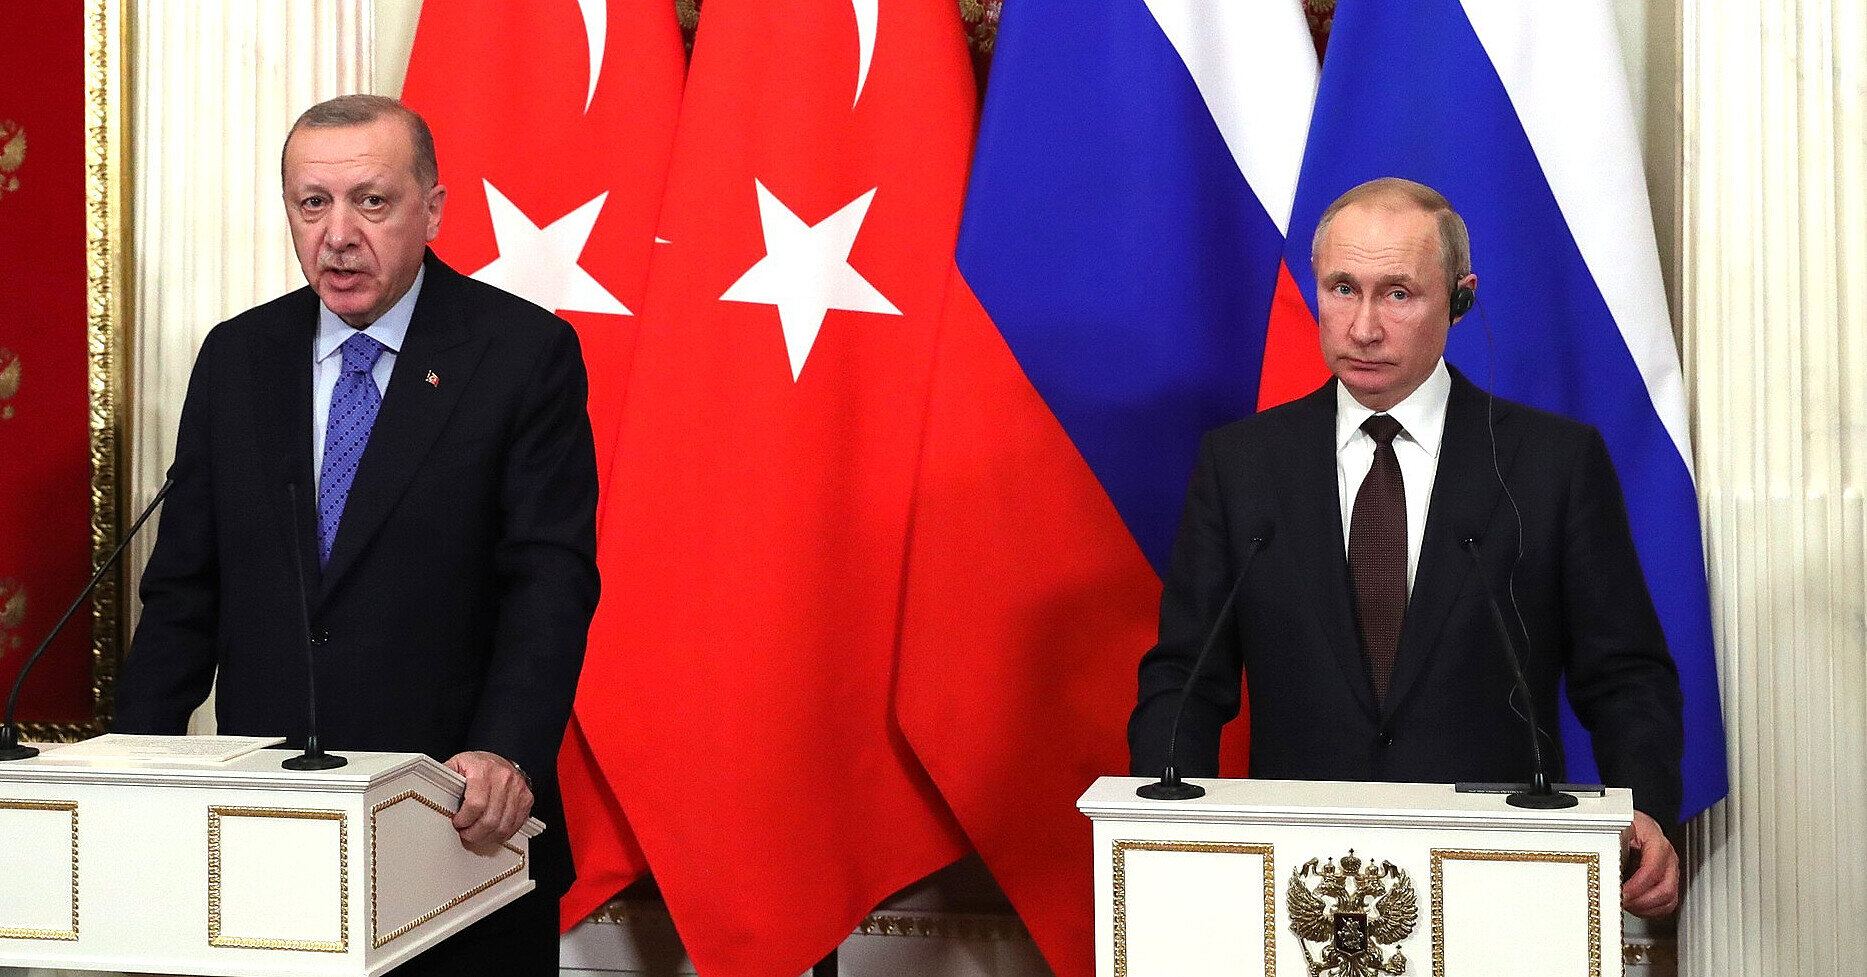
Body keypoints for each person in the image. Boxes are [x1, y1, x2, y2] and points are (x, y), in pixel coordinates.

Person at [115, 94, 599, 973]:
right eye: (313, 203)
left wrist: (506, 749)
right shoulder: (238, 357)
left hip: (456, 835)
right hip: (269, 842)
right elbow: (185, 590)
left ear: (432, 209)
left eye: (371, 201)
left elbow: (550, 582)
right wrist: (131, 771)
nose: (338, 235)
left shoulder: (522, 354)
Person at [1128, 177, 1685, 918]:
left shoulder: (1551, 464)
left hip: (1500, 877)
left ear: (1459, 300)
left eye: (1397, 294)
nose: (1362, 327)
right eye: (1342, 289)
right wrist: (1165, 830)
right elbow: (1184, 678)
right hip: (1301, 884)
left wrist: (1644, 806)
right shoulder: (1242, 466)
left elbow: (1624, 675)